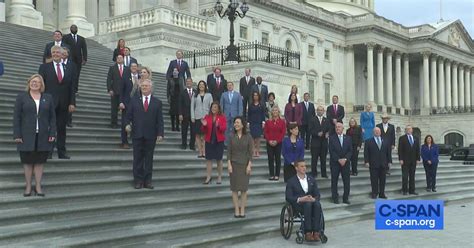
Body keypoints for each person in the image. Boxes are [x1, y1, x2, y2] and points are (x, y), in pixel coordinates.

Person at [13, 75, 56, 197]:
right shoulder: (22, 97)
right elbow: (17, 117)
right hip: (26, 135)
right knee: (27, 162)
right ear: (29, 83)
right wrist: (17, 134)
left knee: (39, 162)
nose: (35, 84)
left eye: (37, 82)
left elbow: (52, 117)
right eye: (33, 81)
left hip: (43, 135)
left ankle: (38, 186)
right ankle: (28, 186)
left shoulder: (48, 98)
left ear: (41, 85)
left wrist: (52, 132)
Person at [38, 46, 76, 159]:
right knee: (48, 128)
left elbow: (72, 87)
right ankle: (47, 151)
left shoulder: (68, 68)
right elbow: (41, 86)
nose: (55, 54)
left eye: (58, 52)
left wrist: (72, 103)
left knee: (61, 128)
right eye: (53, 52)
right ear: (51, 54)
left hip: (64, 103)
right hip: (48, 103)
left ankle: (61, 152)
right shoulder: (44, 67)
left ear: (62, 54)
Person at [125, 79, 164, 189]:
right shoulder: (134, 101)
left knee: (149, 159)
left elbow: (159, 120)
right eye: (142, 86)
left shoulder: (157, 102)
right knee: (137, 158)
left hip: (151, 135)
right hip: (137, 134)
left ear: (151, 88)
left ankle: (148, 181)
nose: (144, 87)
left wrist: (160, 133)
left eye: (146, 86)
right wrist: (127, 124)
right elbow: (128, 116)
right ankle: (138, 181)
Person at [285, 159, 323, 242]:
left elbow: (317, 194)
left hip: (311, 202)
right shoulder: (291, 181)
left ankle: (316, 231)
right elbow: (288, 197)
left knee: (317, 204)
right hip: (298, 205)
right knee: (307, 204)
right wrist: (301, 199)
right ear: (296, 168)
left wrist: (314, 199)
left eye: (305, 166)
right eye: (301, 166)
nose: (304, 168)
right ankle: (307, 232)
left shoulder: (311, 179)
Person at [227, 116, 253, 218]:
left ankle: (242, 209)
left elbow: (250, 153)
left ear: (243, 124)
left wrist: (249, 165)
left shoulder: (248, 137)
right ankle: (236, 209)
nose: (236, 124)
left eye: (238, 122)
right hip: (233, 164)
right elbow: (228, 152)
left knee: (243, 189)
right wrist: (229, 164)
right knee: (234, 189)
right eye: (235, 123)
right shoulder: (231, 136)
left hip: (244, 165)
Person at [201, 102, 227, 184]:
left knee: (219, 159)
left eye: (215, 107)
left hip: (219, 141)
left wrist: (219, 126)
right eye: (212, 107)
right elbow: (203, 130)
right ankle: (208, 177)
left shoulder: (222, 117)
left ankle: (219, 177)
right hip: (209, 141)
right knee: (208, 159)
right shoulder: (207, 117)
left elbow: (224, 129)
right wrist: (204, 125)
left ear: (218, 109)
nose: (213, 109)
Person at [364, 127, 391, 199]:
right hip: (373, 164)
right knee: (374, 180)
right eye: (375, 131)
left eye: (378, 131)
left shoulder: (385, 141)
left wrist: (389, 161)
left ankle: (382, 193)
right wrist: (366, 161)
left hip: (383, 164)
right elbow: (366, 153)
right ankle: (374, 193)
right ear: (373, 132)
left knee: (383, 180)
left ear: (380, 132)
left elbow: (388, 152)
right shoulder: (368, 141)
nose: (377, 132)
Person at [328, 123, 352, 204]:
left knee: (346, 181)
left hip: (346, 163)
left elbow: (350, 150)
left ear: (343, 128)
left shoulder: (348, 138)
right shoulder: (331, 138)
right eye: (336, 127)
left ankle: (346, 198)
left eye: (339, 127)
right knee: (334, 181)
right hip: (335, 163)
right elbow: (332, 151)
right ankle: (335, 197)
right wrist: (338, 159)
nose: (337, 128)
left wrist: (345, 159)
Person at [107, 54, 131, 129]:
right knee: (114, 108)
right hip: (115, 91)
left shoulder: (127, 69)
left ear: (123, 59)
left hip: (124, 92)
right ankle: (114, 123)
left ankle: (125, 123)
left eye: (121, 58)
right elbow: (108, 79)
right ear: (116, 59)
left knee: (125, 108)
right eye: (118, 58)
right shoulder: (112, 68)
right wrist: (109, 89)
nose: (120, 59)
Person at [191, 80, 213, 158]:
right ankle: (200, 152)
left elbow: (212, 107)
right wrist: (192, 116)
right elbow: (192, 107)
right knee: (197, 135)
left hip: (206, 117)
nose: (201, 86)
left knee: (204, 136)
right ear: (198, 86)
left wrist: (211, 117)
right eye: (200, 84)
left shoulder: (209, 95)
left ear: (205, 86)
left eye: (203, 84)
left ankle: (204, 151)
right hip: (197, 117)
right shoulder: (195, 95)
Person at [264, 106, 286, 181]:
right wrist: (269, 140)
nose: (275, 112)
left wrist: (277, 141)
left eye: (276, 110)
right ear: (271, 112)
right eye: (273, 110)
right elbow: (265, 132)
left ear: (278, 112)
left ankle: (277, 174)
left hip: (278, 143)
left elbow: (283, 133)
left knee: (277, 159)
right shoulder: (268, 122)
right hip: (269, 142)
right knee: (270, 158)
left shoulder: (282, 122)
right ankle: (271, 174)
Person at [398, 125, 421, 195]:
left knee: (412, 176)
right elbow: (400, 150)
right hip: (405, 161)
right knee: (405, 176)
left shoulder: (416, 138)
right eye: (407, 129)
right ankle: (404, 190)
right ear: (405, 130)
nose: (408, 130)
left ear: (412, 130)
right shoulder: (402, 138)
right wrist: (401, 159)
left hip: (413, 161)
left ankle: (412, 190)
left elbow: (418, 149)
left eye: (409, 129)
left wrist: (418, 159)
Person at [309, 106, 331, 178]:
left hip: (324, 143)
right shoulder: (312, 119)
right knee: (314, 159)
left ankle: (323, 173)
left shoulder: (326, 120)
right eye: (318, 110)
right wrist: (317, 133)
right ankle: (314, 173)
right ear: (316, 111)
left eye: (321, 110)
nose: (320, 111)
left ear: (323, 111)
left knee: (323, 159)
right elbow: (310, 130)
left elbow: (329, 129)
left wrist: (328, 133)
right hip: (315, 143)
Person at [118, 63, 136, 149]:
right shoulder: (125, 77)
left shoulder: (140, 78)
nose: (134, 68)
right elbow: (121, 90)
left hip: (137, 105)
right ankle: (124, 142)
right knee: (125, 123)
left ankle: (135, 141)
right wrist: (121, 102)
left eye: (135, 67)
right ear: (130, 68)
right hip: (126, 104)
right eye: (132, 67)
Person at [220, 82, 243, 147]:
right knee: (226, 129)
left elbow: (240, 105)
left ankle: (234, 143)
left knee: (235, 129)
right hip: (226, 115)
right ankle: (226, 144)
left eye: (230, 85)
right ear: (227, 87)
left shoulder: (238, 95)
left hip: (235, 115)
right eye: (228, 85)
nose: (229, 86)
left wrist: (239, 115)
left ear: (233, 86)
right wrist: (221, 114)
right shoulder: (223, 94)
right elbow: (221, 105)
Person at [61, 47, 78, 128]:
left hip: (68, 89)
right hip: (58, 89)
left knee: (69, 105)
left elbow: (74, 79)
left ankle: (69, 121)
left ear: (68, 54)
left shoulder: (73, 65)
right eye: (62, 53)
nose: (63, 54)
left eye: (65, 53)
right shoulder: (57, 64)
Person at [179, 78, 196, 150]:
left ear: (192, 82)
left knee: (193, 131)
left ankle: (192, 145)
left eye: (190, 81)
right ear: (185, 83)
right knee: (184, 130)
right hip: (184, 114)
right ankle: (184, 144)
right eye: (187, 82)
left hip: (194, 115)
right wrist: (180, 114)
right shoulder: (182, 92)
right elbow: (179, 104)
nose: (188, 83)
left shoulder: (196, 92)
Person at [247, 92, 265, 157]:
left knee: (258, 138)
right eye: (254, 95)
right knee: (252, 137)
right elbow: (249, 114)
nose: (255, 96)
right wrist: (248, 122)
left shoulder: (261, 105)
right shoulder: (251, 105)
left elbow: (263, 114)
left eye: (256, 95)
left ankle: (257, 151)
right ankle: (253, 150)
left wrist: (263, 122)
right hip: (252, 122)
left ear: (258, 96)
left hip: (259, 123)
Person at [166, 67, 182, 132]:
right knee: (172, 113)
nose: (175, 72)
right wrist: (168, 97)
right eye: (174, 70)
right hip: (172, 97)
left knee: (178, 112)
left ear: (178, 72)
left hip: (179, 97)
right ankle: (173, 126)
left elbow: (183, 87)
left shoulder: (181, 79)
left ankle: (177, 126)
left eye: (176, 71)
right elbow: (168, 89)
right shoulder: (170, 79)